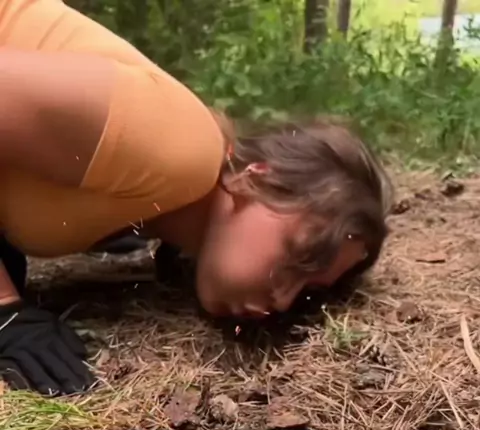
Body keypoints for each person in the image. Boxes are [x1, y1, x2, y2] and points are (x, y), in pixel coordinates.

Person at [0, 0, 392, 397]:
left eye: (307, 291)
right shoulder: (178, 151)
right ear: (257, 179)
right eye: (297, 259)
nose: (283, 300)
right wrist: (5, 307)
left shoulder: (152, 200)